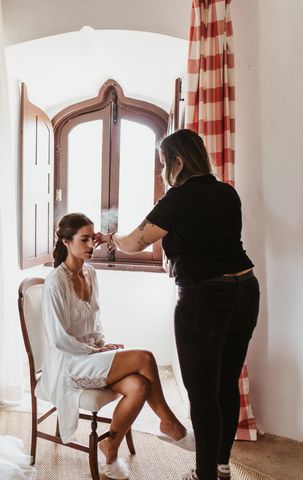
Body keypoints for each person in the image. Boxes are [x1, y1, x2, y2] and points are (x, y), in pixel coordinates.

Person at [94, 129, 260, 480]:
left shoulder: (178, 197)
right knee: (226, 384)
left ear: (178, 161)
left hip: (205, 298)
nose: (161, 171)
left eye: (163, 164)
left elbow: (138, 240)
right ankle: (220, 465)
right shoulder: (227, 192)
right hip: (246, 290)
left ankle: (205, 476)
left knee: (203, 393)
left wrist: (111, 237)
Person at [36, 212, 193, 480]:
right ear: (66, 241)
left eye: (92, 240)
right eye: (83, 240)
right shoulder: (55, 282)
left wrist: (102, 344)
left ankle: (109, 450)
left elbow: (93, 321)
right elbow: (58, 338)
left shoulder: (90, 273)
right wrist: (95, 351)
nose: (90, 246)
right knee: (144, 357)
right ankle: (170, 423)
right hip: (69, 363)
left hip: (90, 355)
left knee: (140, 386)